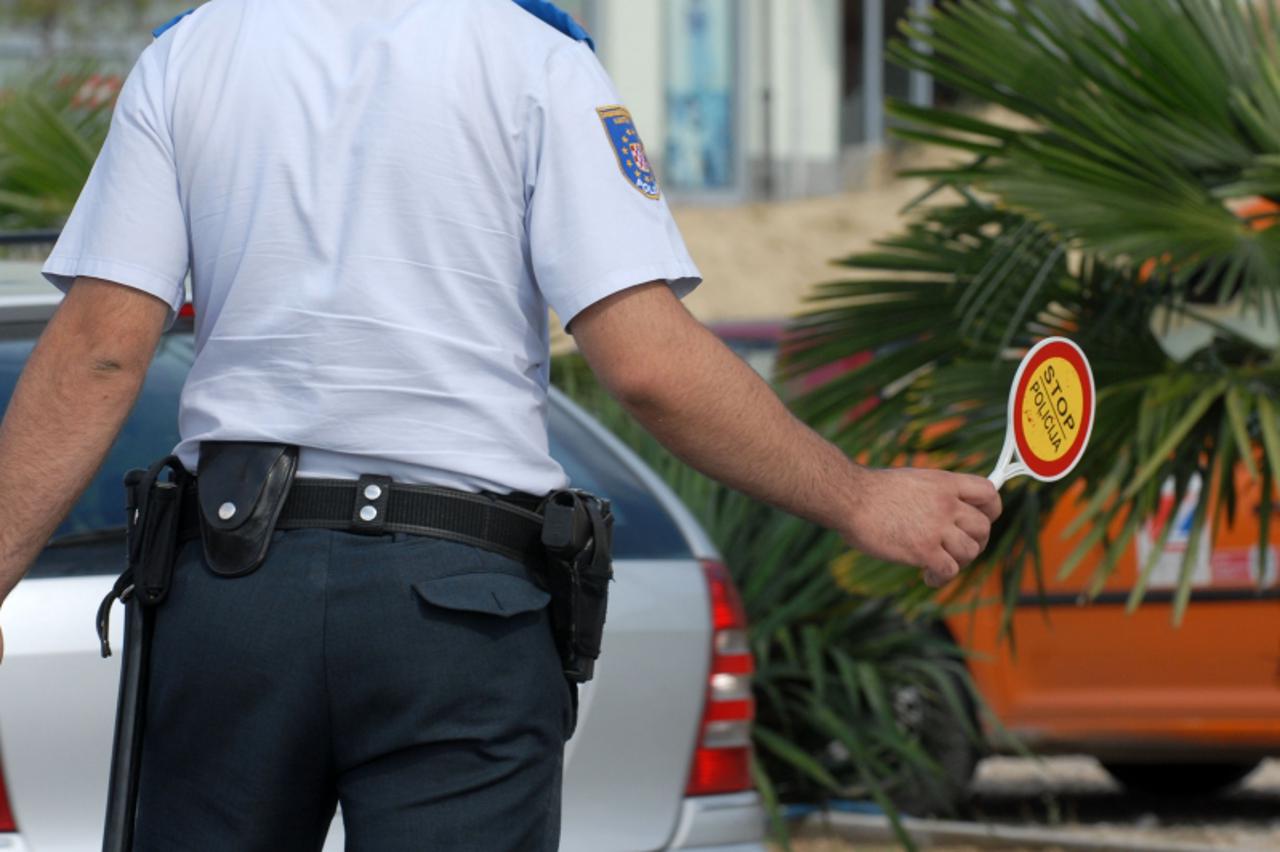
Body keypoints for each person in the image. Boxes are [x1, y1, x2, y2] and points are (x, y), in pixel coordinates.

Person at [0, 1, 1001, 849]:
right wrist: (858, 496)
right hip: (453, 607)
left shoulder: (191, 50)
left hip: (231, 592)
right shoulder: (534, 53)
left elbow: (99, 350)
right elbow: (648, 365)